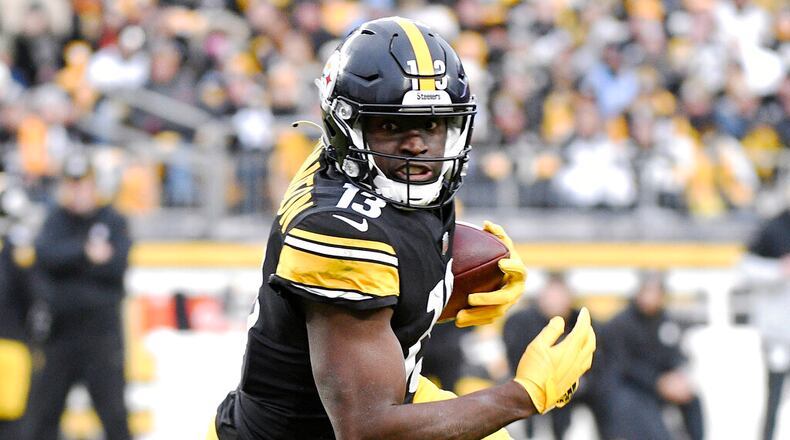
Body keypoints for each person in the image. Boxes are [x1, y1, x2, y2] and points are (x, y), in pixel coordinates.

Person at [209, 17, 595, 440]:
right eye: (391, 125)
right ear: (345, 126)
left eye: (432, 124)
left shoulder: (362, 169)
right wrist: (523, 396)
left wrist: (444, 280)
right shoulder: (339, 234)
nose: (417, 144)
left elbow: (375, 287)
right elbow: (368, 429)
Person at [22, 153, 133, 440]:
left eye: (83, 184)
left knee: (115, 419)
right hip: (60, 336)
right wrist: (85, 253)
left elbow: (116, 265)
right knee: (42, 417)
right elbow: (45, 257)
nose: (78, 191)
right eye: (72, 185)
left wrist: (69, 265)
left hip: (101, 339)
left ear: (95, 186)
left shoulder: (113, 220)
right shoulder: (55, 220)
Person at [503, 272, 615, 440]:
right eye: (551, 295)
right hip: (530, 390)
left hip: (574, 394)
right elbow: (514, 360)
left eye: (560, 295)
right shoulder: (519, 322)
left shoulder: (583, 322)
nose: (555, 301)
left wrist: (575, 385)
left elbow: (598, 364)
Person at [602, 271, 704, 440]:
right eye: (647, 291)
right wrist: (658, 382)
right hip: (632, 388)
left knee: (692, 397)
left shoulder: (666, 321)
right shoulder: (621, 324)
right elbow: (623, 366)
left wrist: (677, 377)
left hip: (660, 385)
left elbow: (677, 354)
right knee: (653, 428)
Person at [738, 205, 790, 440]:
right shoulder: (773, 227)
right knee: (774, 396)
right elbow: (744, 266)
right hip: (778, 332)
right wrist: (778, 270)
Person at [0, 185, 35, 437]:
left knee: (14, 425)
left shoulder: (17, 253)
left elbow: (33, 296)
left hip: (11, 344)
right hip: (13, 343)